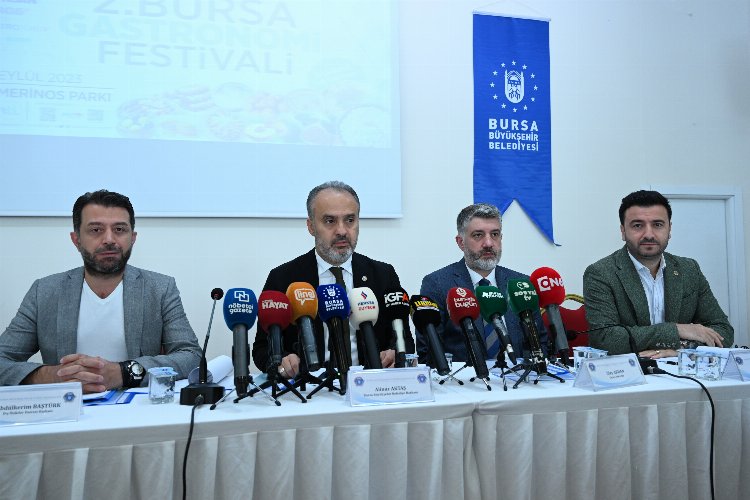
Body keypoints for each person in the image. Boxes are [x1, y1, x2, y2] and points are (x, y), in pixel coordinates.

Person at [0, 190, 202, 393]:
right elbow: (3, 359)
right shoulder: (44, 291)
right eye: (96, 230)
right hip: (67, 406)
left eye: (119, 229)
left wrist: (124, 372)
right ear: (76, 239)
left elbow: (191, 356)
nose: (109, 239)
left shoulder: (160, 288)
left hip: (136, 407)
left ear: (132, 238)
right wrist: (53, 376)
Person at [251, 181, 415, 378]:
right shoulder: (283, 278)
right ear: (311, 226)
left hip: (370, 384)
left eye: (350, 220)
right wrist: (281, 362)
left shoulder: (383, 274)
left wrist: (396, 353)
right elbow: (262, 349)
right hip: (309, 387)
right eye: (330, 221)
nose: (342, 231)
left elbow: (404, 340)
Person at [583, 190, 733, 358]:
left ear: (669, 229)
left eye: (658, 225)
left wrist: (680, 350)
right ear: (623, 231)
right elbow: (605, 339)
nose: (649, 234)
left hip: (681, 367)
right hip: (628, 370)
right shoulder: (601, 273)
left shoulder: (689, 269)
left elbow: (723, 330)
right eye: (637, 225)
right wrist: (677, 330)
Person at [419, 203, 546, 365]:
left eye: (495, 234)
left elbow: (540, 343)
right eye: (478, 235)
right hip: (465, 378)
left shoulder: (521, 284)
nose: (488, 243)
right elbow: (429, 352)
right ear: (461, 242)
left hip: (518, 376)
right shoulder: (437, 283)